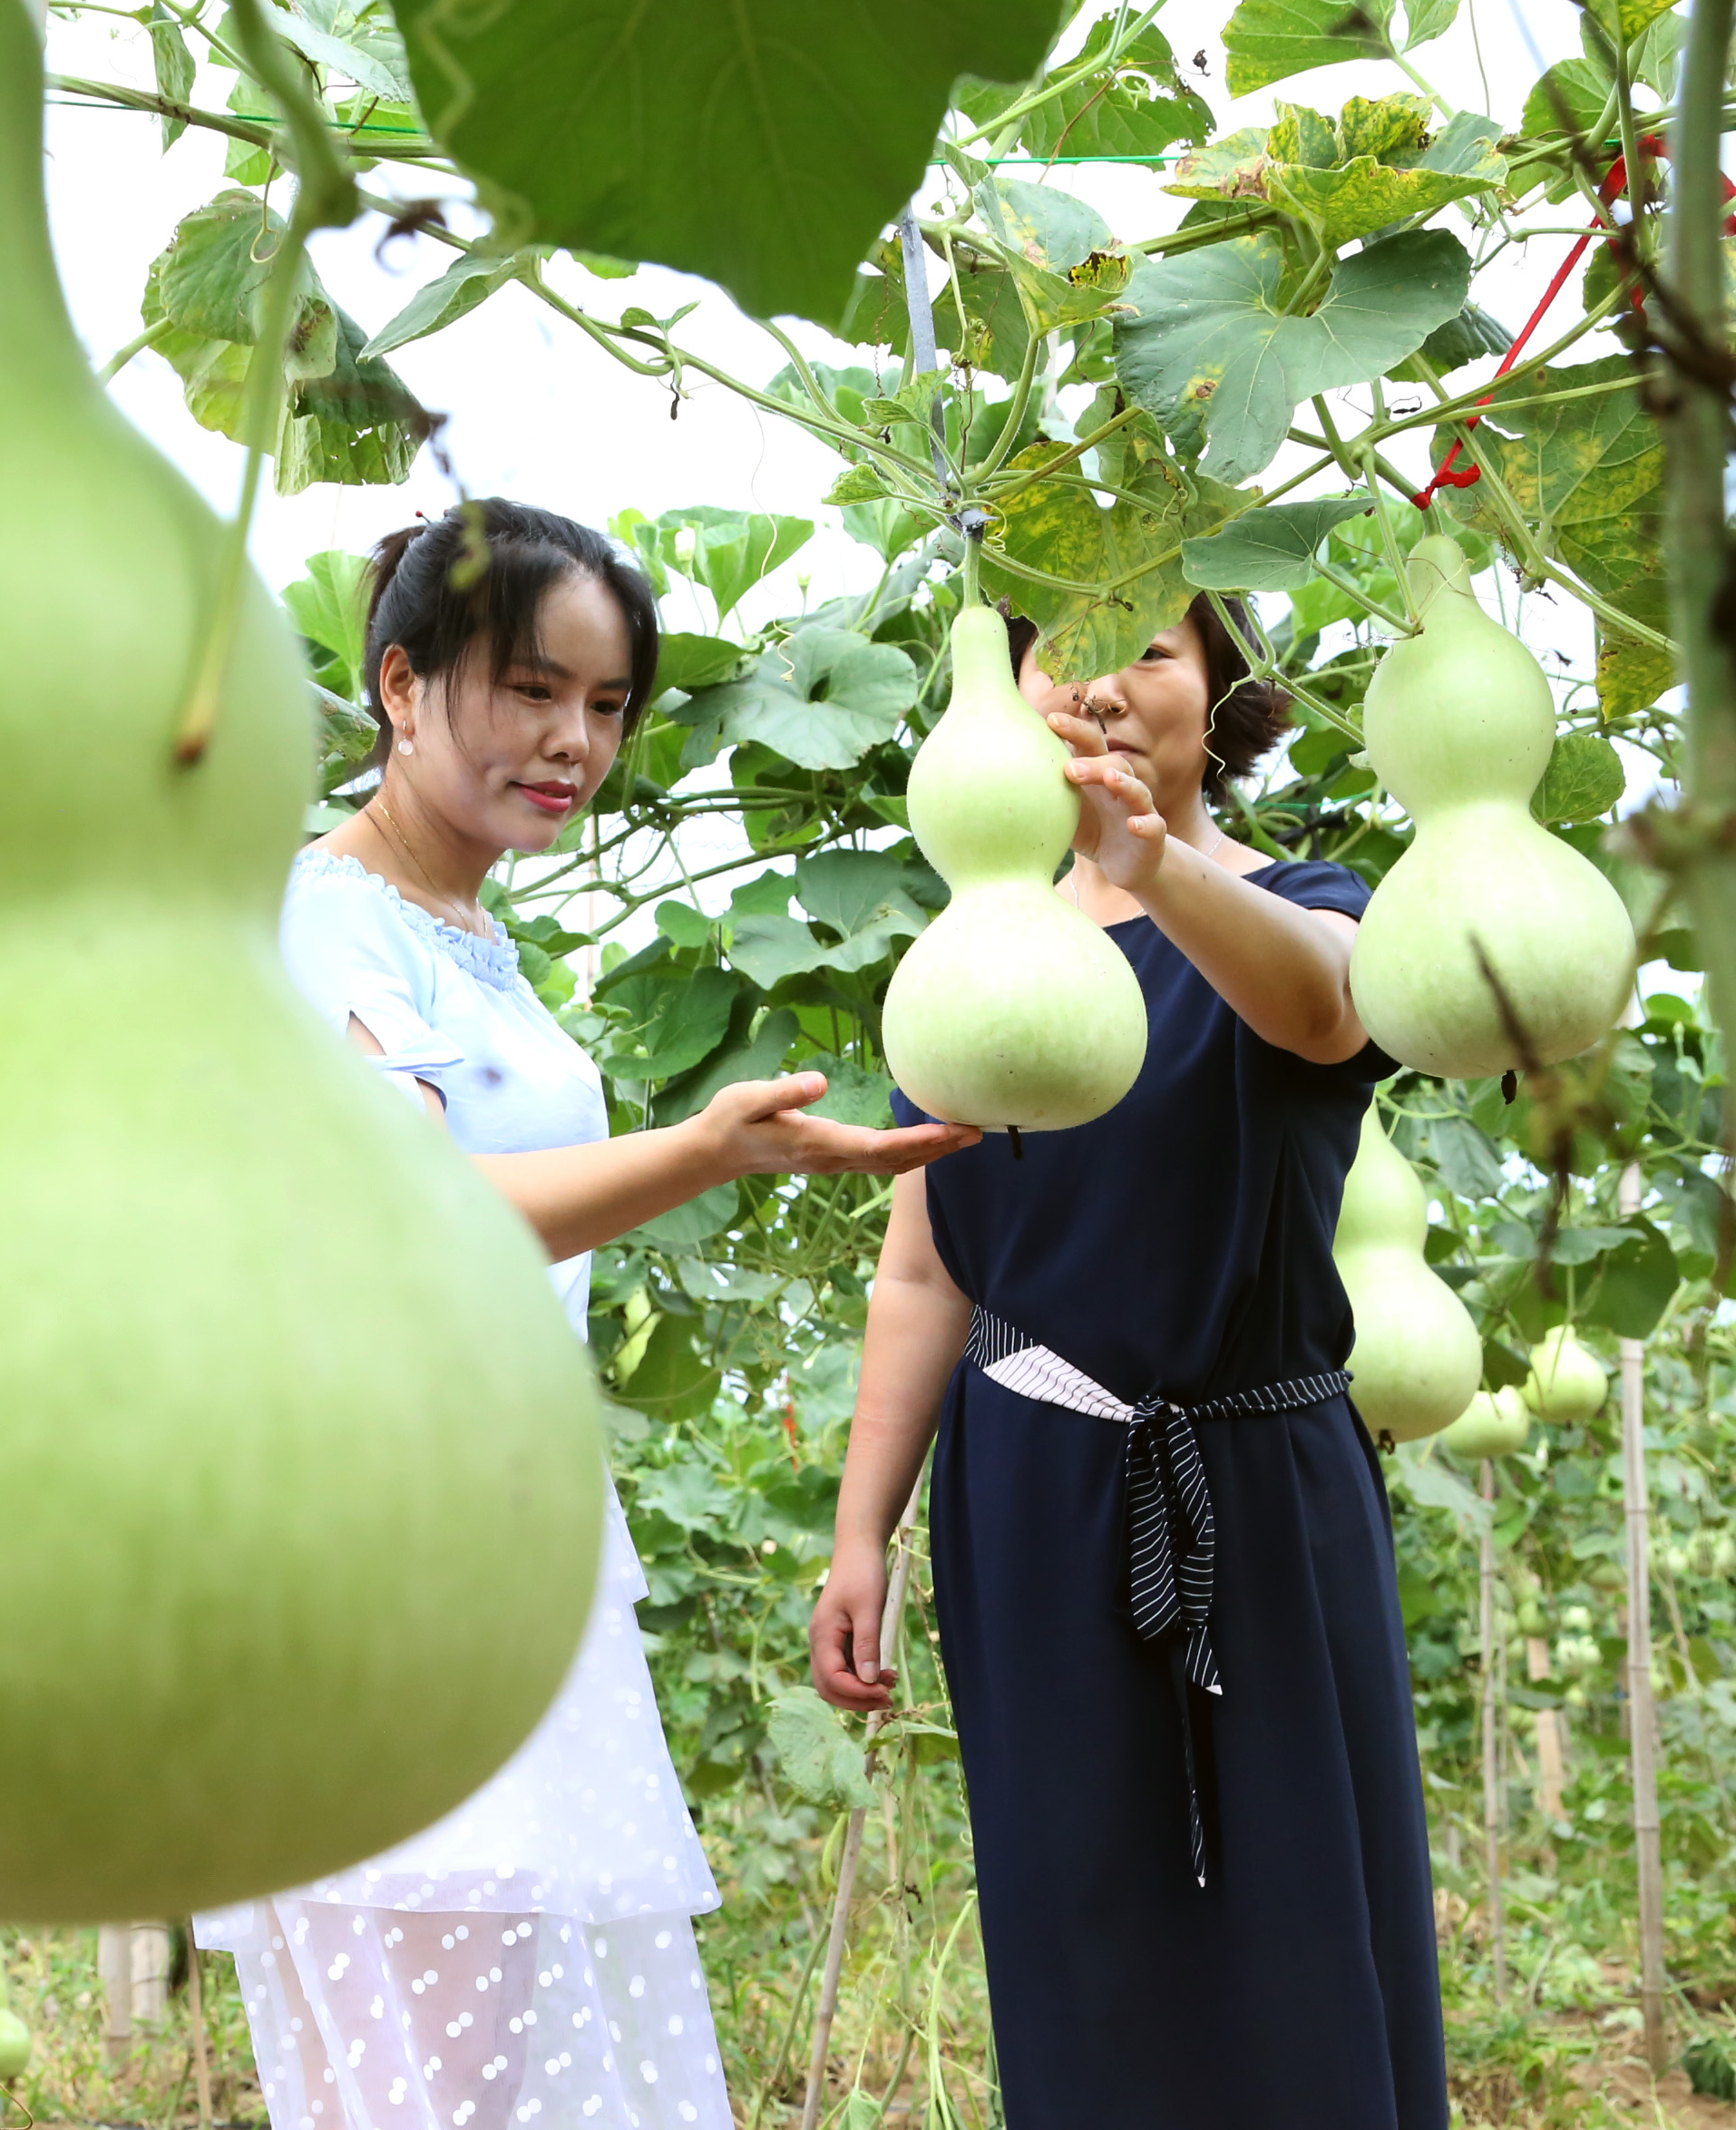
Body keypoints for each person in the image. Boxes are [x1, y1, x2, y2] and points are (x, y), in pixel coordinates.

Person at [195, 501, 974, 2130]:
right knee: (452, 2058)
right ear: (403, 689)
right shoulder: (308, 915)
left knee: (516, 2037)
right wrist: (700, 1152)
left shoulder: (470, 937)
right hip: (368, 1543)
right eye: (532, 690)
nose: (574, 741)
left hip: (502, 1519)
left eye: (608, 706)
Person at [810, 597, 1449, 2130]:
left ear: (1220, 701)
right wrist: (860, 1530)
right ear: (1005, 692)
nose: (1099, 683)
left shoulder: (1304, 898)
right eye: (1060, 654)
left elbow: (1327, 1010)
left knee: (1298, 1921)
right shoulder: (972, 961)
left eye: (1151, 652)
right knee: (1084, 1919)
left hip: (1261, 1480)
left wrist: (1149, 862)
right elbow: (926, 1268)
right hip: (1031, 1495)